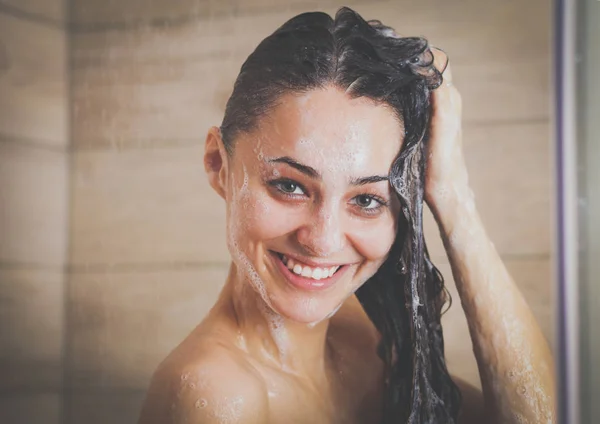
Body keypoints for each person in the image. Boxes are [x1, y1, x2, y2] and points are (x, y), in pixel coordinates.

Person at [138, 7, 555, 424]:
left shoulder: (362, 335)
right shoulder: (212, 397)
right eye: (290, 185)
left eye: (366, 200)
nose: (323, 240)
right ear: (218, 164)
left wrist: (453, 195)